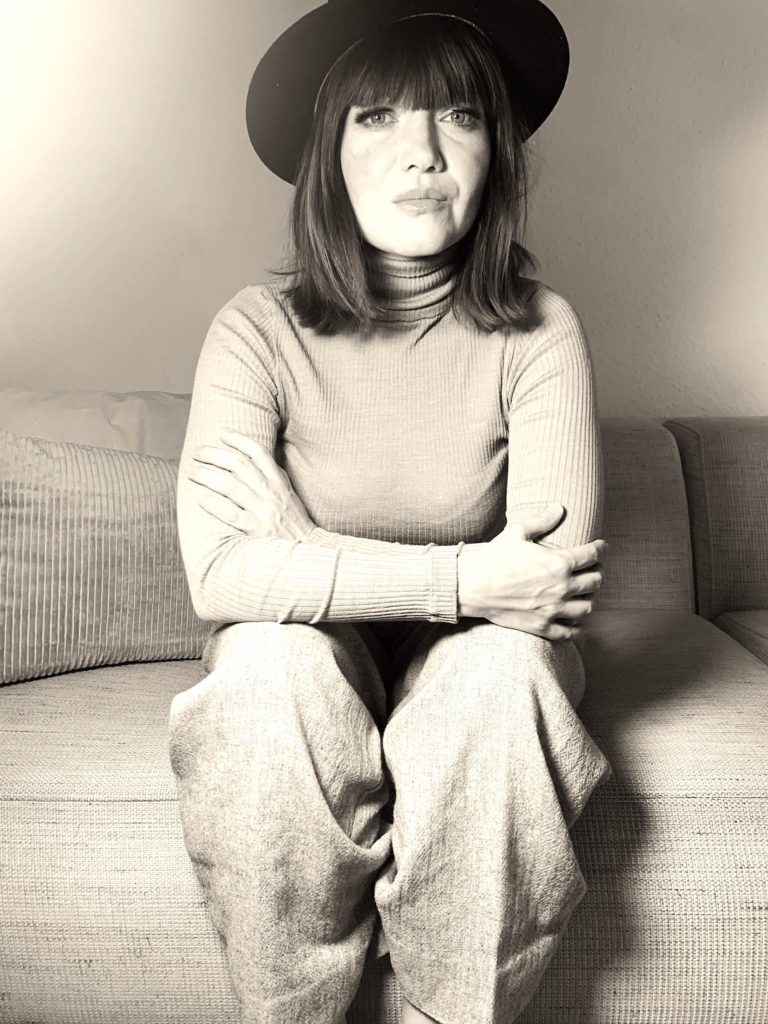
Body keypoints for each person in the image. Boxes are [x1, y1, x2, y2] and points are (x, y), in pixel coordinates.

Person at [167, 2, 613, 1023]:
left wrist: (303, 545)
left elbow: (547, 589)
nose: (423, 152)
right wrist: (463, 577)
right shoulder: (256, 329)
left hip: (475, 660)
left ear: (495, 152)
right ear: (328, 154)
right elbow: (222, 576)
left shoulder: (540, 330)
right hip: (315, 654)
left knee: (500, 675)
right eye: (378, 118)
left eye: (458, 115)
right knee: (264, 667)